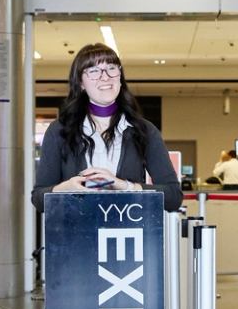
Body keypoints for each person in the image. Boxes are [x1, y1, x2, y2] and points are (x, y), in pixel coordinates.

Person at [31, 44, 182, 213]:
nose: (105, 77)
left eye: (111, 68)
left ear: (120, 77)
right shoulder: (60, 130)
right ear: (81, 82)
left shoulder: (144, 130)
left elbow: (173, 197)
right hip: (75, 235)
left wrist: (123, 186)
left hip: (128, 235)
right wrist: (65, 188)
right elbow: (38, 199)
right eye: (94, 71)